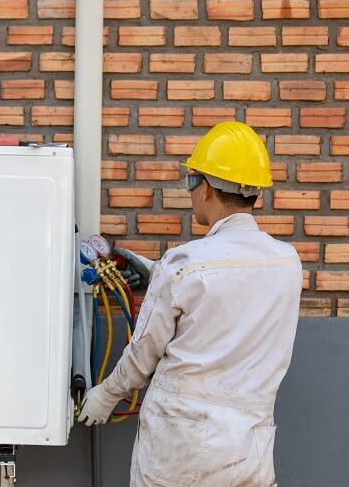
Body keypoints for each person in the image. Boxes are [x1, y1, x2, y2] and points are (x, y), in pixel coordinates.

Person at [78, 121, 302, 487]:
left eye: (191, 181)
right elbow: (234, 295)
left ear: (207, 189)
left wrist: (106, 393)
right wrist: (156, 275)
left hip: (182, 444)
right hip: (251, 445)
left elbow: (142, 356)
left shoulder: (183, 264)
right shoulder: (287, 262)